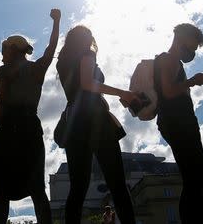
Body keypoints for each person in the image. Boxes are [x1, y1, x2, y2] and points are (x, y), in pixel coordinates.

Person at [0, 9, 61, 224]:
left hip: (9, 129)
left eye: (4, 50)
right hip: (30, 128)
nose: (2, 55)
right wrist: (57, 22)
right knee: (37, 188)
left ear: (13, 49)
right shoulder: (37, 69)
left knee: (2, 188)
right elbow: (51, 49)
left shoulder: (4, 71)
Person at [56, 25, 140, 224]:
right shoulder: (87, 54)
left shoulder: (63, 62)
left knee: (78, 188)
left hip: (74, 123)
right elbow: (87, 84)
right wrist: (123, 93)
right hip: (96, 121)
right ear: (86, 40)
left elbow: (78, 88)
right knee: (117, 184)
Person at [153, 23, 203, 224]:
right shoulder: (168, 59)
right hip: (177, 122)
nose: (192, 52)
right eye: (192, 46)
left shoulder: (174, 62)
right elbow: (168, 92)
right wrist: (192, 81)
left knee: (195, 178)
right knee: (196, 179)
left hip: (178, 121)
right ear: (180, 38)